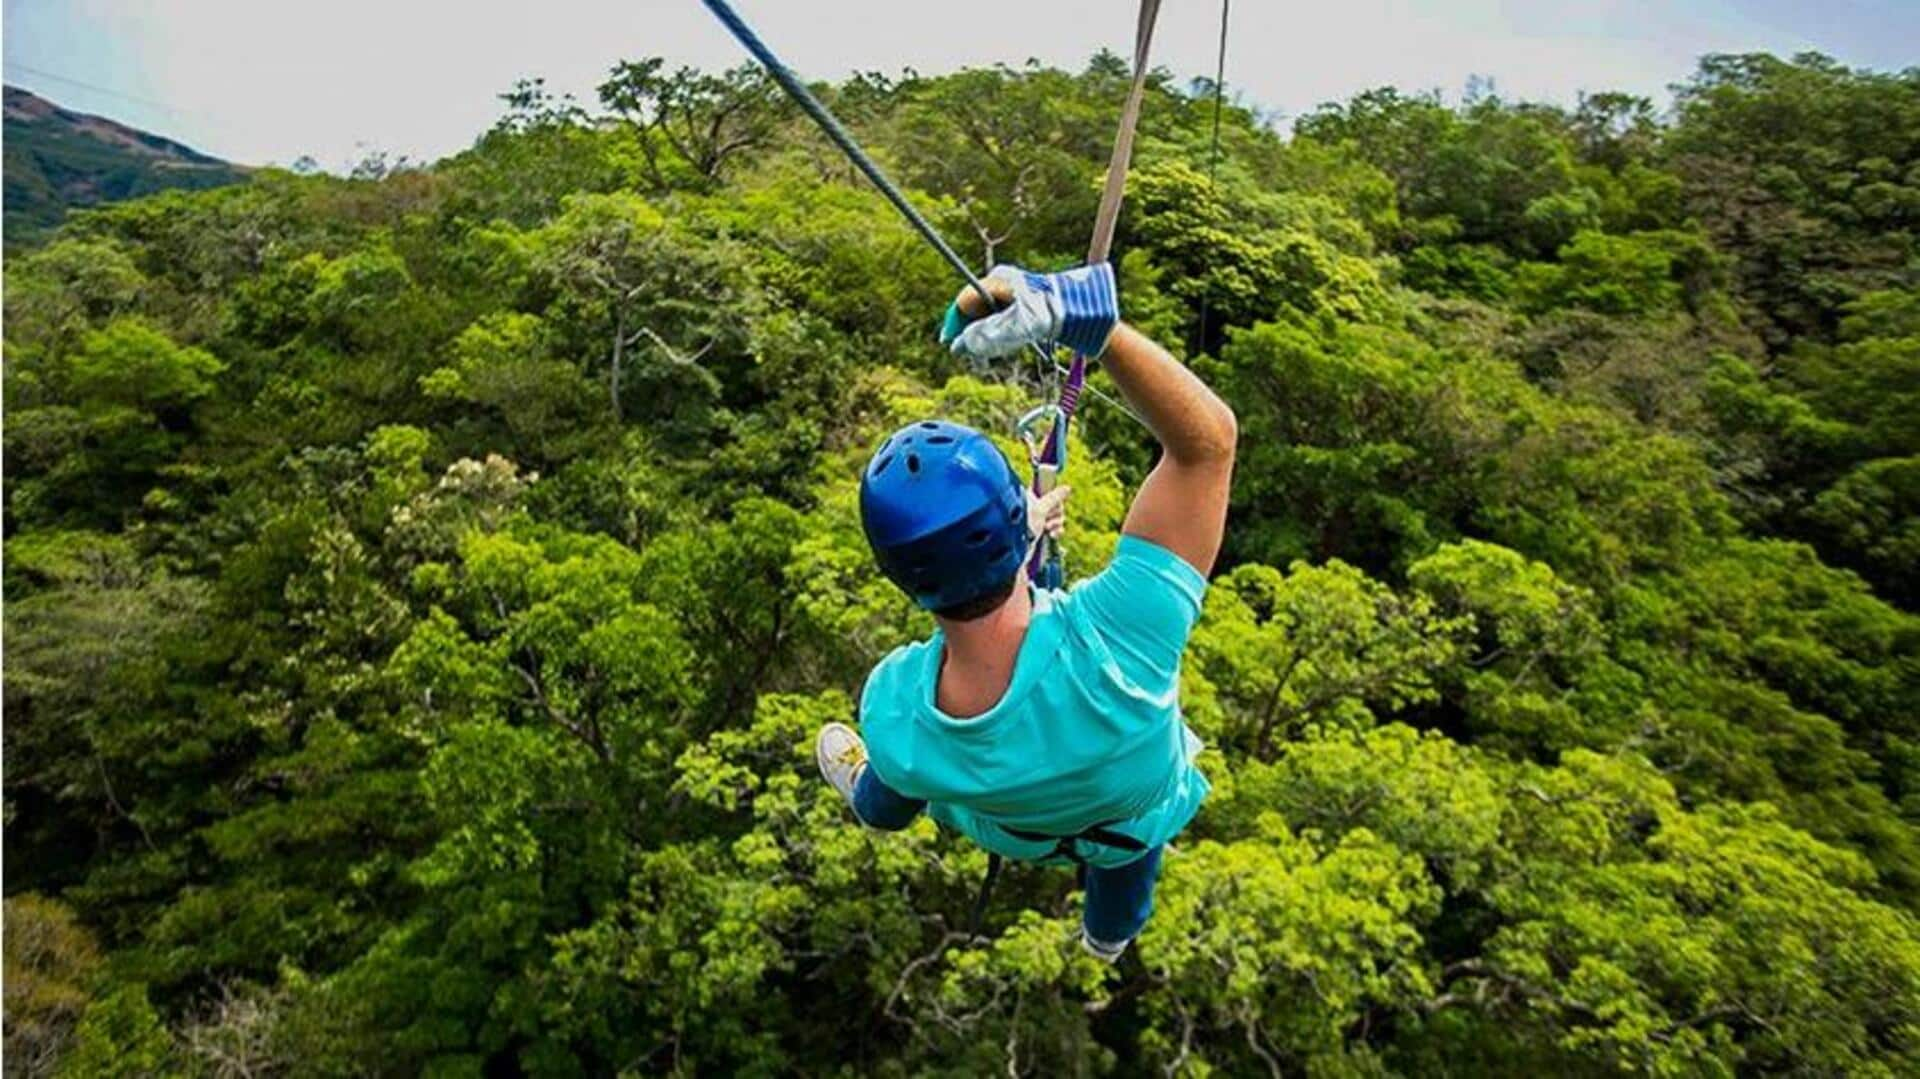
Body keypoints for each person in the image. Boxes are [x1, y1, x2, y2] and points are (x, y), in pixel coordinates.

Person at [814, 262, 1236, 960]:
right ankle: (1106, 937)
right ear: (1016, 526)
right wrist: (1085, 321)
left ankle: (862, 791)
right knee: (1129, 856)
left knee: (889, 784)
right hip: (1130, 812)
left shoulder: (896, 702)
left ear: (900, 576)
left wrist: (1015, 538)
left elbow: (969, 621)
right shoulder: (1124, 642)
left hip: (1011, 825)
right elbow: (1207, 443)